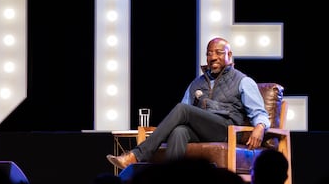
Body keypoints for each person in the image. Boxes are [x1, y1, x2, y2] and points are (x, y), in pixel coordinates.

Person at [106, 36, 270, 169]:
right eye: (209, 53)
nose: (213, 57)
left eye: (219, 52)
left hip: (227, 128)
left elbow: (259, 112)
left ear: (230, 55)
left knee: (182, 109)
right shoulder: (196, 83)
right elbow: (182, 115)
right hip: (203, 129)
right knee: (179, 131)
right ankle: (173, 183)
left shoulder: (243, 80)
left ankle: (137, 155)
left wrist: (260, 127)